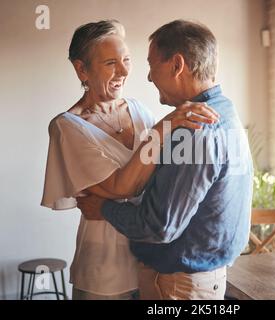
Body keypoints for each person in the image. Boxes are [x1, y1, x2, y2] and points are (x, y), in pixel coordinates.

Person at [40, 20, 219, 300]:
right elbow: (122, 187)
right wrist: (164, 127)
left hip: (154, 265)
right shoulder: (67, 127)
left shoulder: (138, 110)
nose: (124, 71)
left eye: (126, 60)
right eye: (111, 62)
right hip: (105, 269)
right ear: (81, 69)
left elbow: (165, 172)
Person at [77, 19, 253, 300]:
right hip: (205, 281)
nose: (148, 76)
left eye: (151, 64)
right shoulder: (226, 112)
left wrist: (104, 208)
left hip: (177, 287)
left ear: (176, 65)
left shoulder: (192, 130)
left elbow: (158, 226)